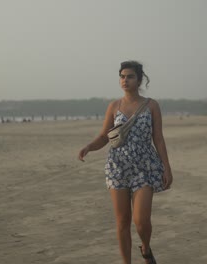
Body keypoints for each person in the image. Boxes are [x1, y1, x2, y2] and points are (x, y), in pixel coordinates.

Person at [78, 61, 173, 264]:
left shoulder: (151, 105)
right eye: (122, 76)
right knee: (122, 221)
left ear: (139, 80)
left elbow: (158, 138)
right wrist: (89, 146)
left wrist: (166, 167)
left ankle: (146, 248)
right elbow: (104, 136)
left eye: (130, 76)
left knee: (141, 222)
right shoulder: (114, 106)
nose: (125, 80)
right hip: (117, 167)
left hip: (144, 167)